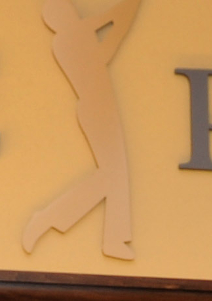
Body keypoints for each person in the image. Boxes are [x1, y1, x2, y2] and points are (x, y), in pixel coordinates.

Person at [22, 0, 141, 260]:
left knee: (115, 175)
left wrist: (125, 15)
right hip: (96, 111)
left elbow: (109, 39)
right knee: (110, 175)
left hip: (103, 110)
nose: (73, 13)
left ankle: (113, 238)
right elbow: (108, 26)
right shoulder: (67, 40)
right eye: (67, 11)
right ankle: (49, 217)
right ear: (59, 18)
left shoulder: (79, 35)